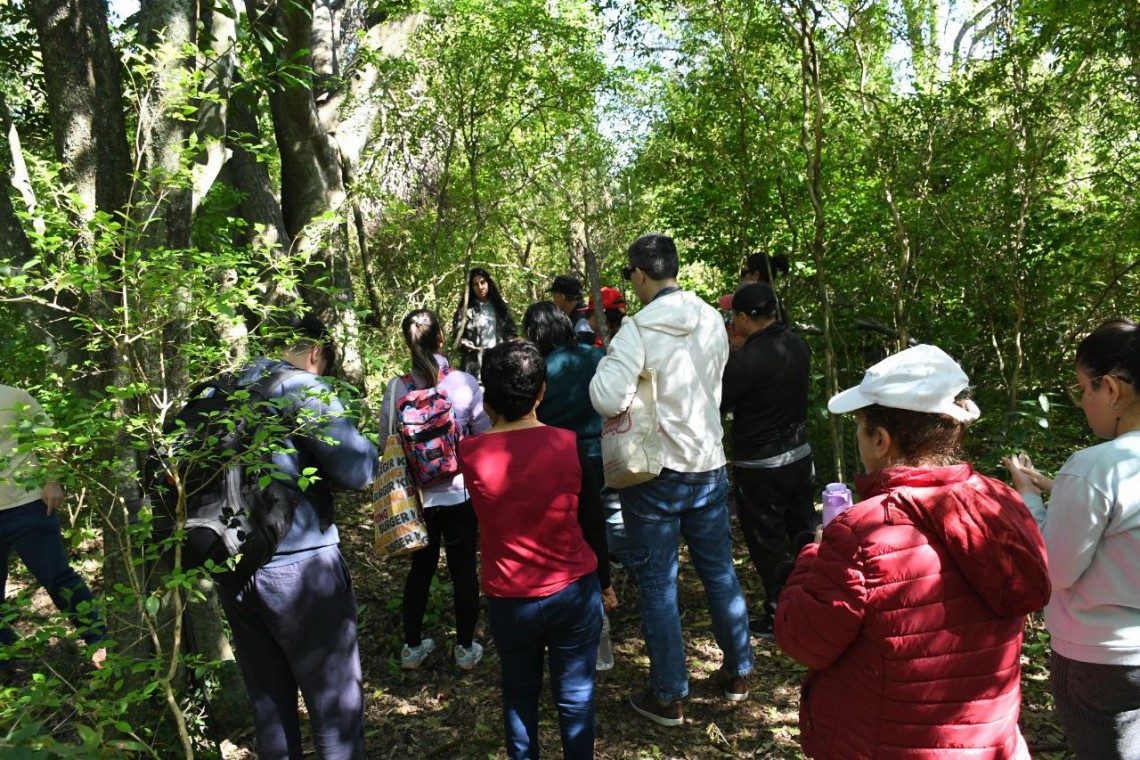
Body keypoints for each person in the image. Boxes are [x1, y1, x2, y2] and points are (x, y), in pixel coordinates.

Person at [777, 344, 1050, 759]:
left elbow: (804, 640)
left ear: (881, 440)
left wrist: (813, 556)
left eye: (860, 428)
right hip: (991, 746)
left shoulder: (861, 532)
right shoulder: (1002, 501)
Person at [589, 233, 753, 726]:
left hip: (655, 472)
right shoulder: (711, 319)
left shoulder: (637, 329)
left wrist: (611, 366)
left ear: (640, 274)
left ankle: (668, 695)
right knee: (719, 572)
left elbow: (606, 398)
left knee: (659, 585)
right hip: (708, 463)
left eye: (631, 275)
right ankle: (739, 672)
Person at [218, 315, 377, 760]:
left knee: (271, 710)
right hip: (299, 569)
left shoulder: (228, 387)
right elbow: (357, 471)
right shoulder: (302, 387)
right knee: (335, 709)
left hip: (233, 565)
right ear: (316, 353)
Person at [458, 341, 617, 760]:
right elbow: (593, 522)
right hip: (573, 590)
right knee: (576, 697)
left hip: (509, 599)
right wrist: (605, 582)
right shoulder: (567, 444)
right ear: (541, 392)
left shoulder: (470, 453)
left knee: (519, 693)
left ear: (488, 400)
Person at [1003, 318, 1140, 760]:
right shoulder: (1104, 471)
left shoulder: (1095, 466)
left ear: (1112, 389)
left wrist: (1029, 496)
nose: (1082, 402)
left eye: (1083, 389)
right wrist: (1058, 487)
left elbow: (1055, 570)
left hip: (1102, 657)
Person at [379, 309, 489, 671]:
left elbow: (385, 442)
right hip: (458, 493)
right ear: (441, 338)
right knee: (463, 570)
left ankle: (412, 648)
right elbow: (483, 436)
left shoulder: (397, 388)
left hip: (416, 499)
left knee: (420, 569)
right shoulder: (463, 383)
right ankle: (465, 648)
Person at [719, 283, 815, 639]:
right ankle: (814, 602)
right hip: (800, 456)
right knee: (803, 530)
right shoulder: (796, 344)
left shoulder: (747, 360)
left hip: (762, 465)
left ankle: (780, 612)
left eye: (734, 317)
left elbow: (718, 401)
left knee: (767, 541)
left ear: (745, 317)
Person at [0, 385, 106, 673]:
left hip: (27, 505)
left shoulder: (14, 396)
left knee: (58, 578)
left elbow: (48, 438)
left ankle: (98, 641)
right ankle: (6, 660)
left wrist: (52, 481)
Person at [523, 302, 630, 567]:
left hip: (565, 459)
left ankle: (593, 574)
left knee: (576, 524)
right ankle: (627, 567)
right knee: (614, 514)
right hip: (609, 450)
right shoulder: (598, 356)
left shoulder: (541, 371)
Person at [452, 267, 517, 379]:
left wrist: (509, 345)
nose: (480, 287)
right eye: (475, 284)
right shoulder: (466, 310)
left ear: (488, 283)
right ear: (471, 288)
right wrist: (464, 343)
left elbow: (511, 332)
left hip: (499, 363)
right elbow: (457, 336)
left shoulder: (500, 307)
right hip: (474, 366)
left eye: (482, 282)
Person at [548, 275, 596, 346]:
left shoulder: (582, 322)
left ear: (562, 297)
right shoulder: (577, 316)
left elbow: (585, 351)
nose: (553, 300)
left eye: (554, 296)